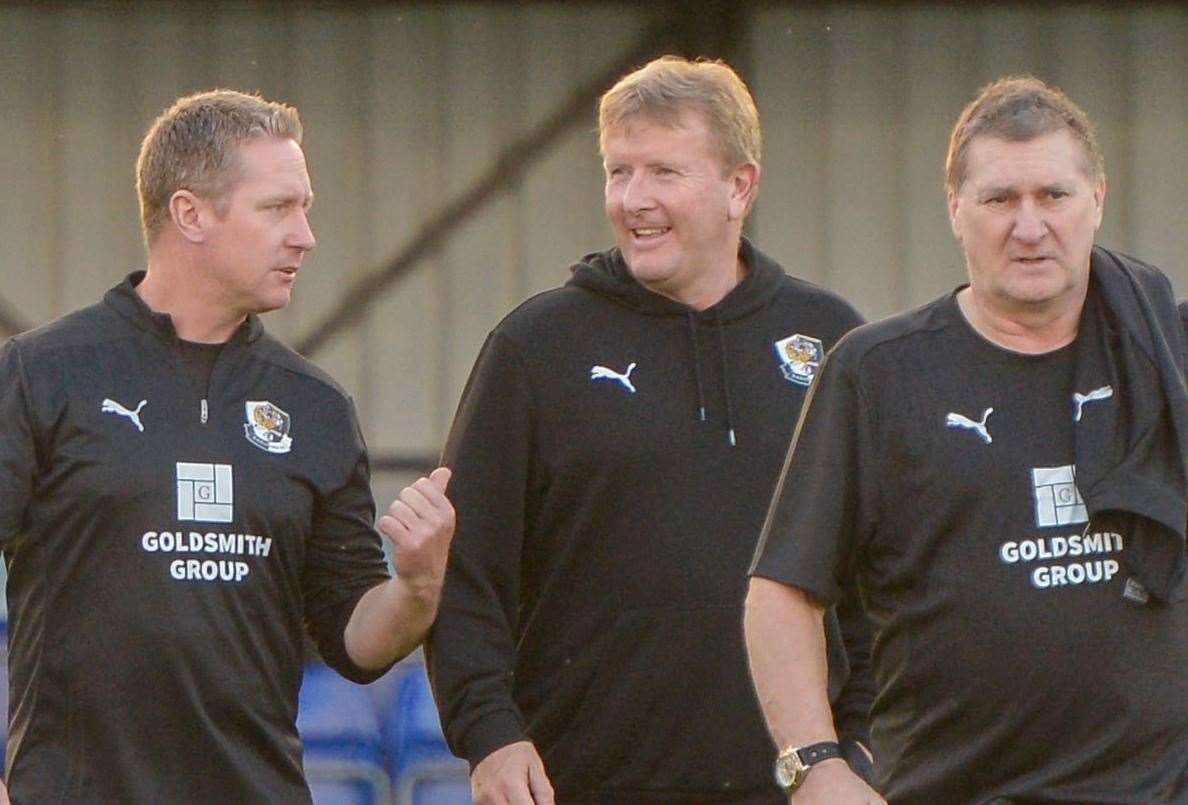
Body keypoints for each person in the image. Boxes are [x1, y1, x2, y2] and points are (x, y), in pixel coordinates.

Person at [427, 56, 870, 804]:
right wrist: (490, 733)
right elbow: (464, 571)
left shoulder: (832, 342)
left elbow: (880, 574)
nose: (635, 199)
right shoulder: (536, 348)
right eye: (618, 171)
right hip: (584, 781)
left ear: (740, 185)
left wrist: (859, 743)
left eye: (664, 172)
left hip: (797, 787)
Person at [0, 90, 455, 802]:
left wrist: (418, 588)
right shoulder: (43, 373)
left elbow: (356, 640)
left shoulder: (315, 407)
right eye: (277, 209)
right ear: (190, 214)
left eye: (304, 208)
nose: (305, 235)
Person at [745, 75, 1188, 804]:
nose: (1029, 224)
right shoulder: (877, 373)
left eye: (1053, 195)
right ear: (955, 209)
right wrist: (815, 765)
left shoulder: (1167, 358)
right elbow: (783, 591)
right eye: (998, 199)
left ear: (1097, 199)